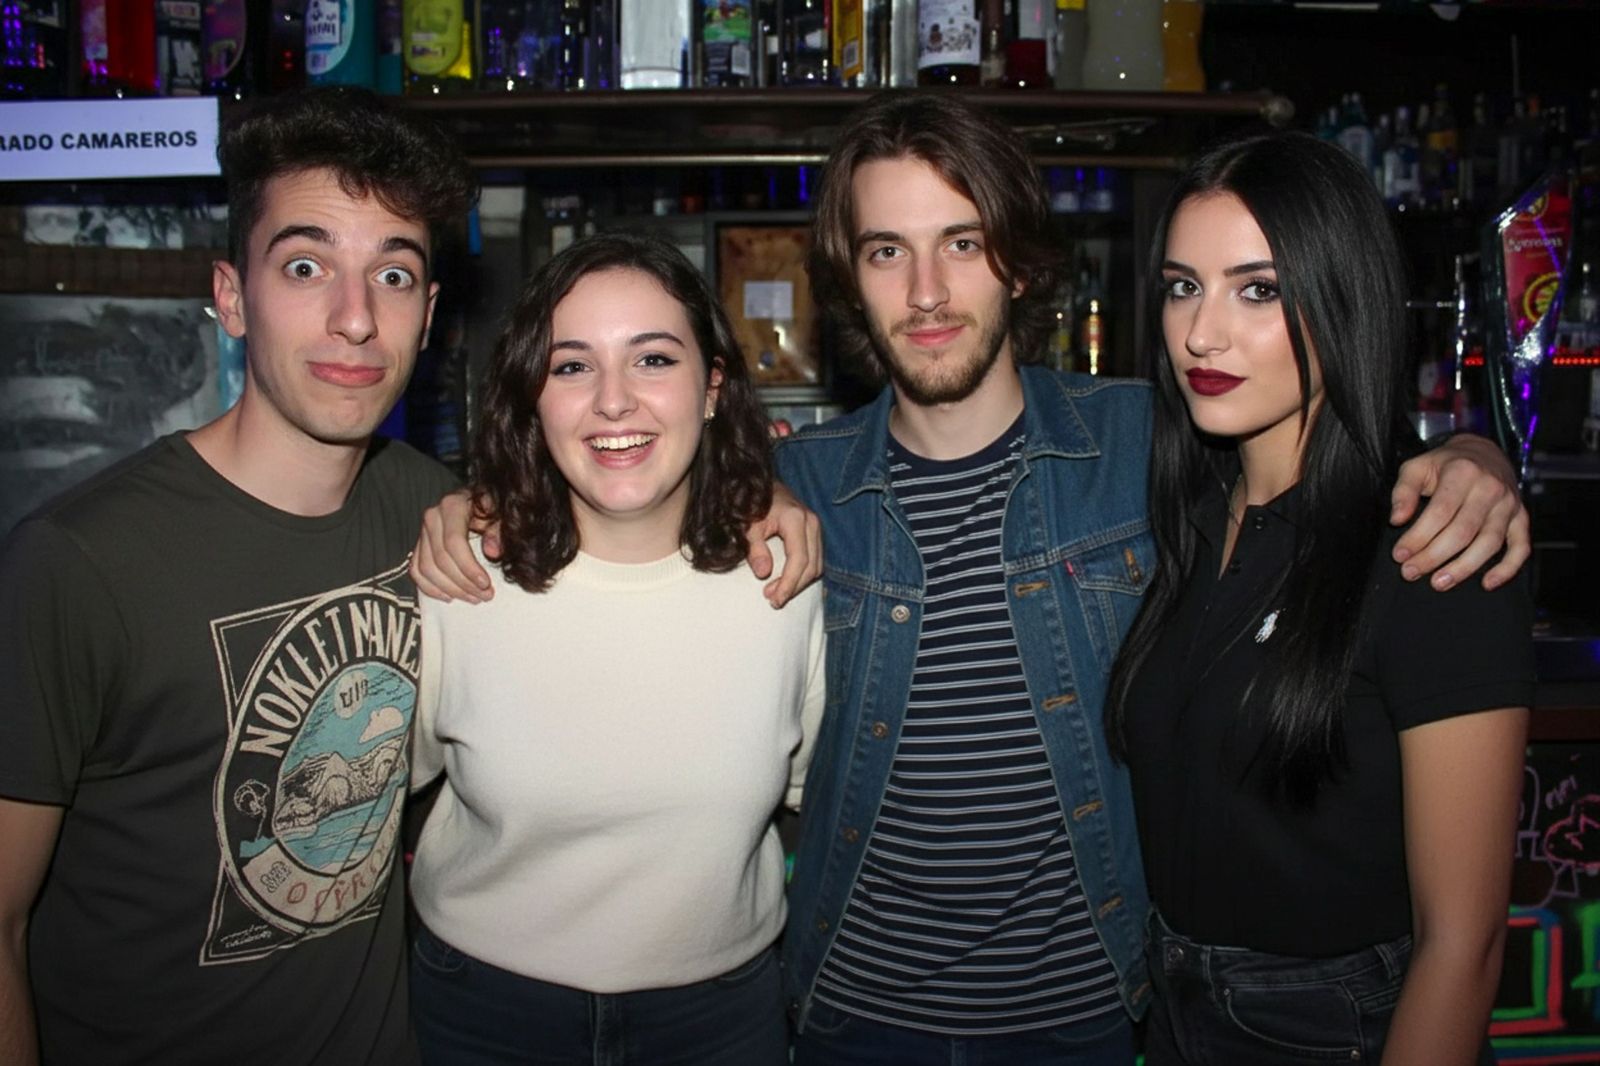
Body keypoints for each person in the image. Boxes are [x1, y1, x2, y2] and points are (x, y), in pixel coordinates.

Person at [410, 92, 1529, 1064]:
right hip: (848, 1015)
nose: (928, 290)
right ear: (848, 281)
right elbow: (619, 479)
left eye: (962, 239)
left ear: (1020, 259)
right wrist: (474, 504)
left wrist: (1470, 458)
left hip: (1088, 1017)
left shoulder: (1147, 444)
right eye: (886, 252)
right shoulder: (798, 485)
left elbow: (1320, 455)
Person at [0, 88, 817, 1066]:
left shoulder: (432, 513)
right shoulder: (77, 559)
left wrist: (768, 494)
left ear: (427, 315)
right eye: (305, 267)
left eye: (391, 274)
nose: (354, 318)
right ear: (230, 295)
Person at [1105, 130, 1530, 1065]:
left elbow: (1463, 947)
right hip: (1168, 1010)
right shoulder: (1182, 514)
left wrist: (1477, 455)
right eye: (1183, 286)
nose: (1201, 333)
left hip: (1335, 1029)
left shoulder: (1429, 546)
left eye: (1257, 290)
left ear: (1343, 297)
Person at [406, 232, 825, 1066]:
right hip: (482, 1015)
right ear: (533, 396)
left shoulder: (785, 585)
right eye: (571, 366)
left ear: (711, 388)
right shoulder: (458, 579)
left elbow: (820, 806)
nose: (613, 401)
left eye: (653, 360)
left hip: (722, 1021)